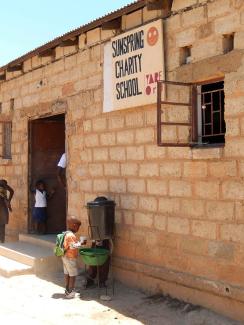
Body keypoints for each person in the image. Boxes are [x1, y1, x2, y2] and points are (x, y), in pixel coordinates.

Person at [62, 216, 81, 299]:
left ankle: (66, 290)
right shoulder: (71, 235)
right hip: (70, 257)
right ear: (74, 225)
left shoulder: (65, 233)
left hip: (64, 257)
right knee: (72, 275)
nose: (78, 228)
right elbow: (72, 246)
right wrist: (81, 243)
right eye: (78, 226)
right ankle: (70, 292)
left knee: (67, 274)